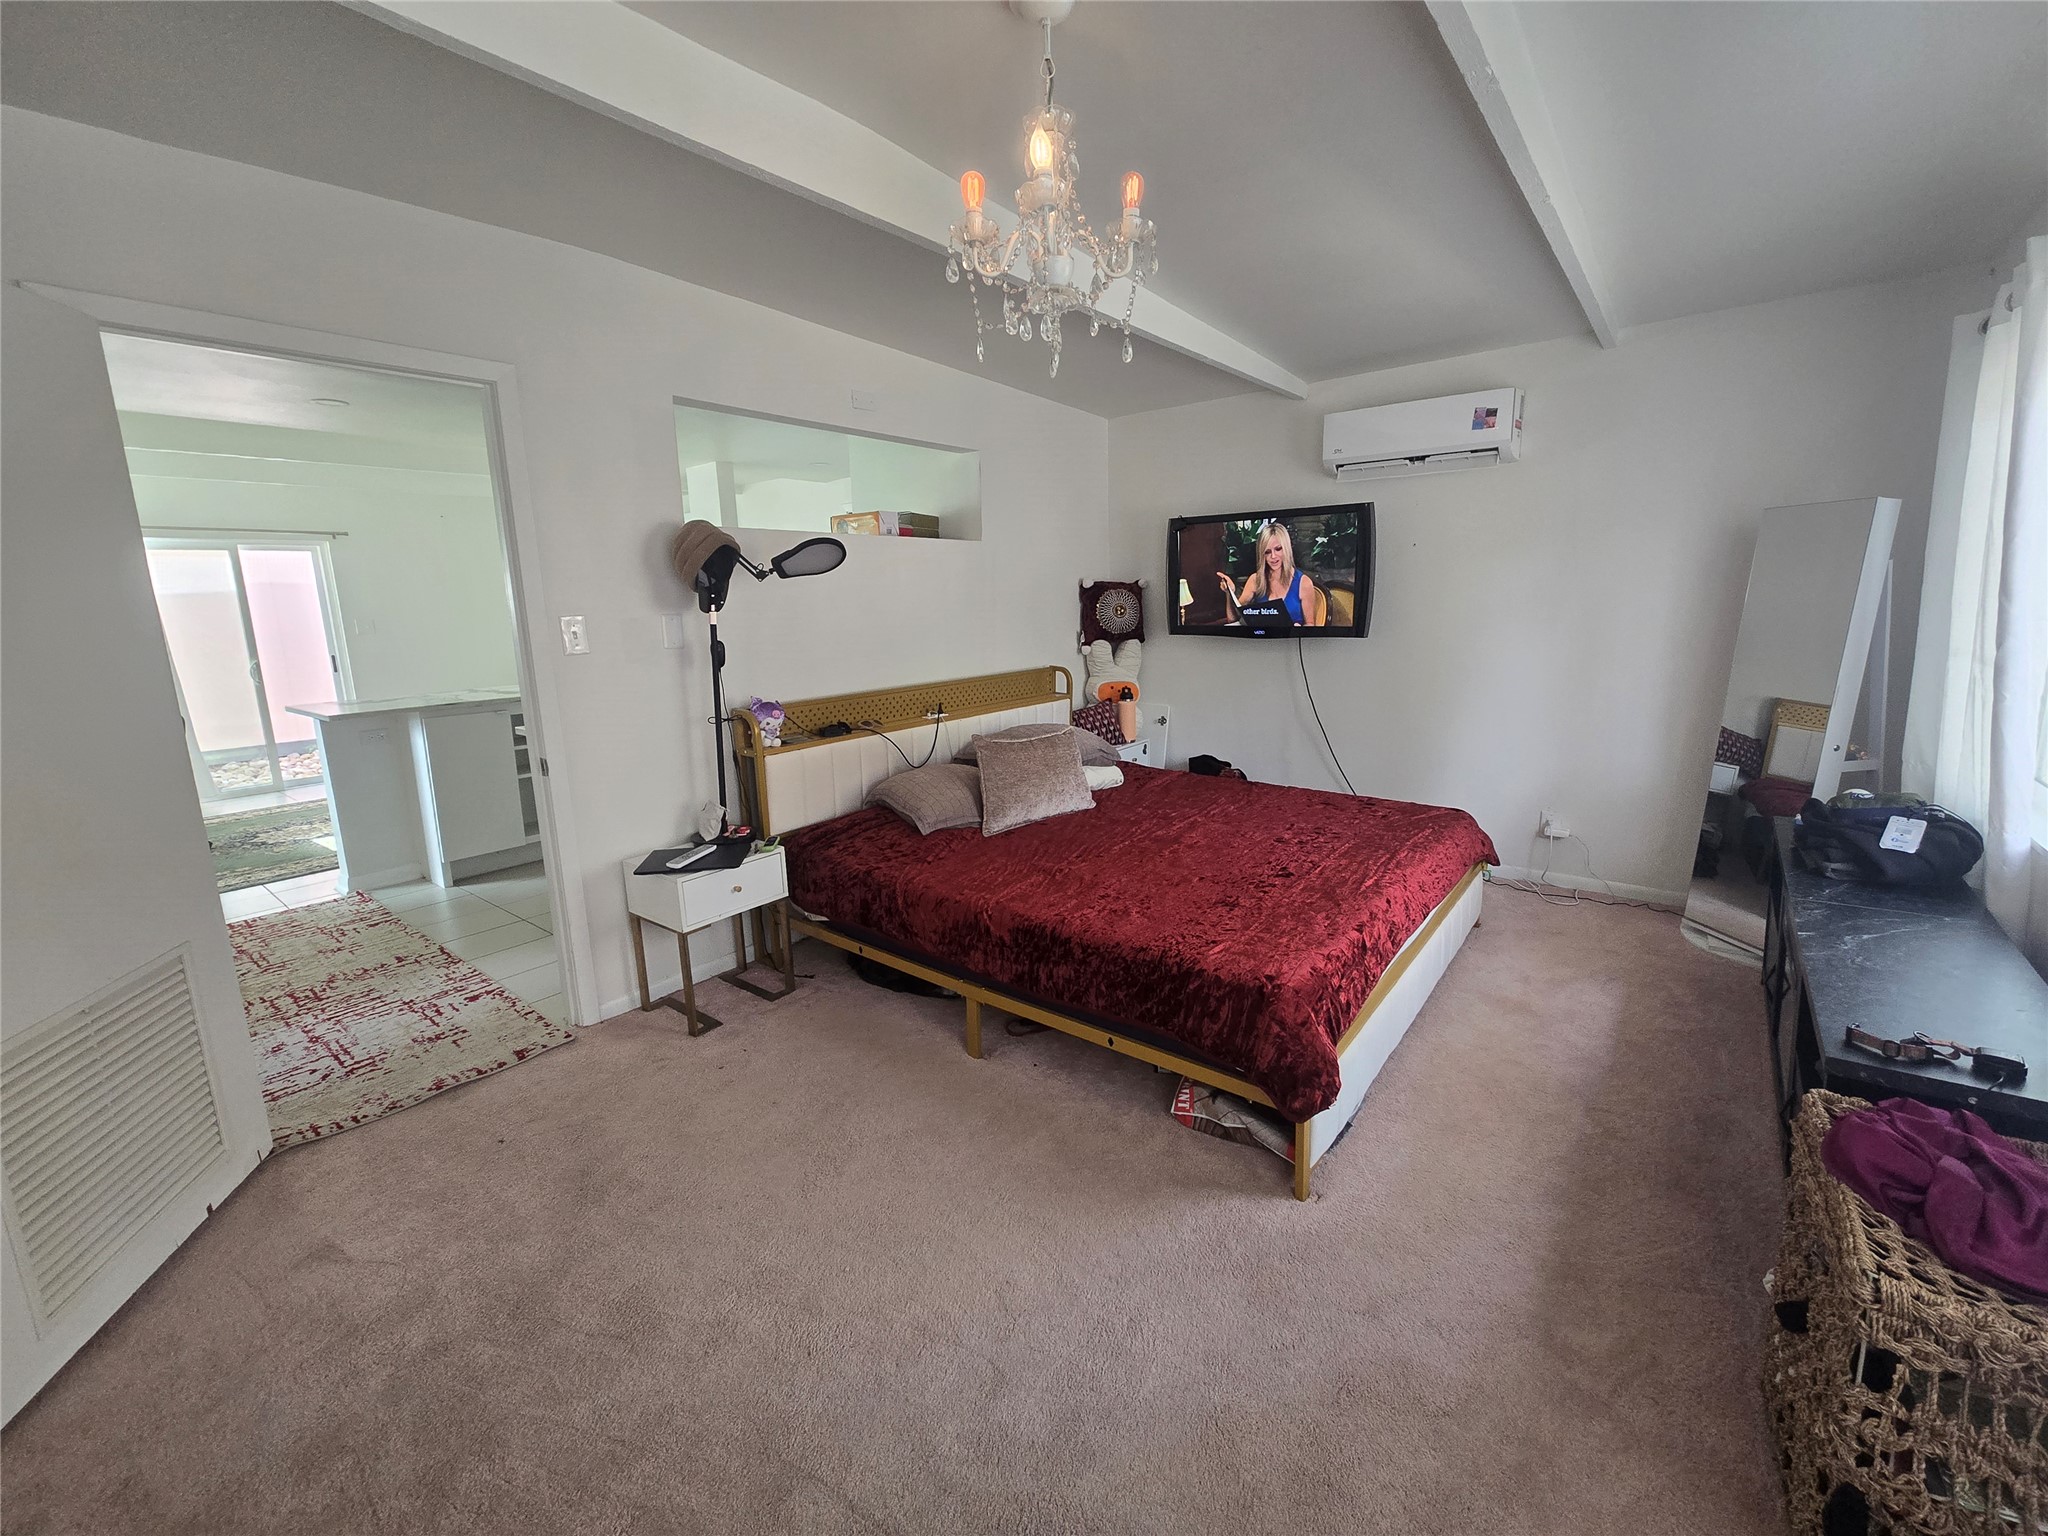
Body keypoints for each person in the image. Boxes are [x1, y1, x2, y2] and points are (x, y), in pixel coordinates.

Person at [1214, 520, 1326, 625]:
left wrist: (1298, 630)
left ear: (1286, 549)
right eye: (1267, 552)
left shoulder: (1303, 583)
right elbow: (1233, 619)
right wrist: (1230, 592)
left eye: (1278, 549)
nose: (1273, 556)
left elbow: (1311, 625)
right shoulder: (1255, 580)